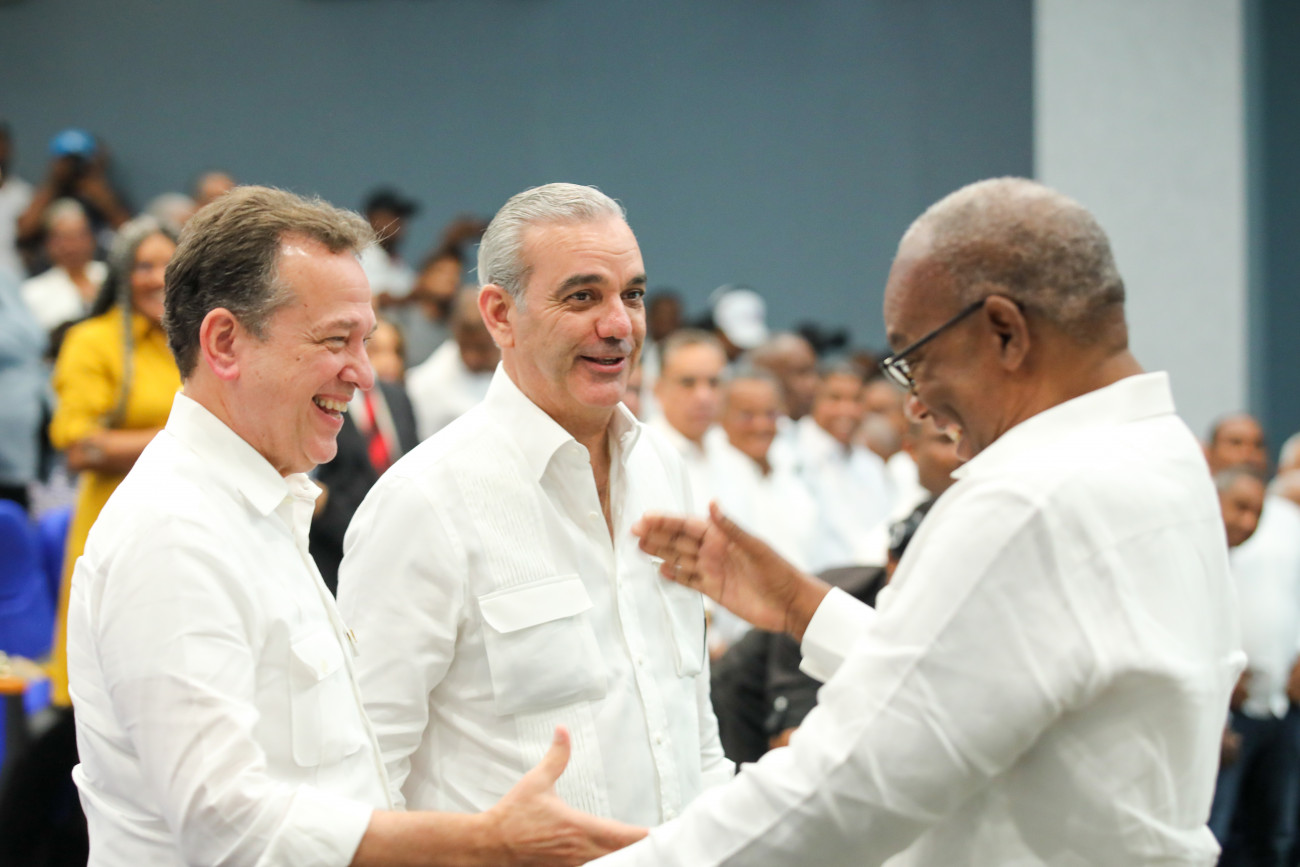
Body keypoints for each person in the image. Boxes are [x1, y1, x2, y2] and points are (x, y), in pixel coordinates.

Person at [609, 177, 1242, 866]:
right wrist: (803, 607)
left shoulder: (1029, 500)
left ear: (1005, 332)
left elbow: (848, 787)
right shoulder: (1161, 451)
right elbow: (981, 688)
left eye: (915, 360)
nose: (914, 404)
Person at [65, 185, 641, 867]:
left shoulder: (254, 508)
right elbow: (224, 823)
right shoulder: (175, 532)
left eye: (365, 341)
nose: (364, 375)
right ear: (224, 342)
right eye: (336, 340)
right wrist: (483, 842)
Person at [336, 183, 730, 826]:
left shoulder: (664, 468)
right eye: (582, 297)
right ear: (499, 315)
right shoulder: (424, 502)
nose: (619, 325)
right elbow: (364, 774)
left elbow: (692, 724)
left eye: (631, 294)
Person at [47, 215, 182, 709]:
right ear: (122, 274)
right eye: (144, 266)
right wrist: (183, 439)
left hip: (185, 527)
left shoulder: (199, 341)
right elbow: (80, 447)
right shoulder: (93, 341)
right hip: (113, 526)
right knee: (104, 690)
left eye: (169, 265)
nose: (158, 278)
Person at [1209, 466, 1300, 866]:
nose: (1248, 522)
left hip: (1276, 705)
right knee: (1214, 830)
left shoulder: (1280, 535)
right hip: (1222, 709)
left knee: (1275, 833)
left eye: (1257, 512)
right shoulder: (1194, 552)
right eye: (1240, 508)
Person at [795, 362, 894, 569]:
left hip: (868, 576)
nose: (847, 410)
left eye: (856, 400)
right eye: (835, 398)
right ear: (815, 399)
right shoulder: (789, 452)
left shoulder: (871, 465)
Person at [649, 329, 727, 515]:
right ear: (658, 389)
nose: (704, 396)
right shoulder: (644, 455)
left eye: (713, 382)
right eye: (688, 382)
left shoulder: (729, 452)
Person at [404, 287, 499, 440]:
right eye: (464, 346)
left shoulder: (521, 367)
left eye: (481, 348)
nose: (472, 358)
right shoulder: (424, 383)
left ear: (500, 335)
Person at [21, 198, 108, 333]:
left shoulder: (110, 275)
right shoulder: (32, 293)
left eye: (79, 236)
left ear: (91, 238)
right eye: (63, 238)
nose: (72, 246)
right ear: (49, 243)